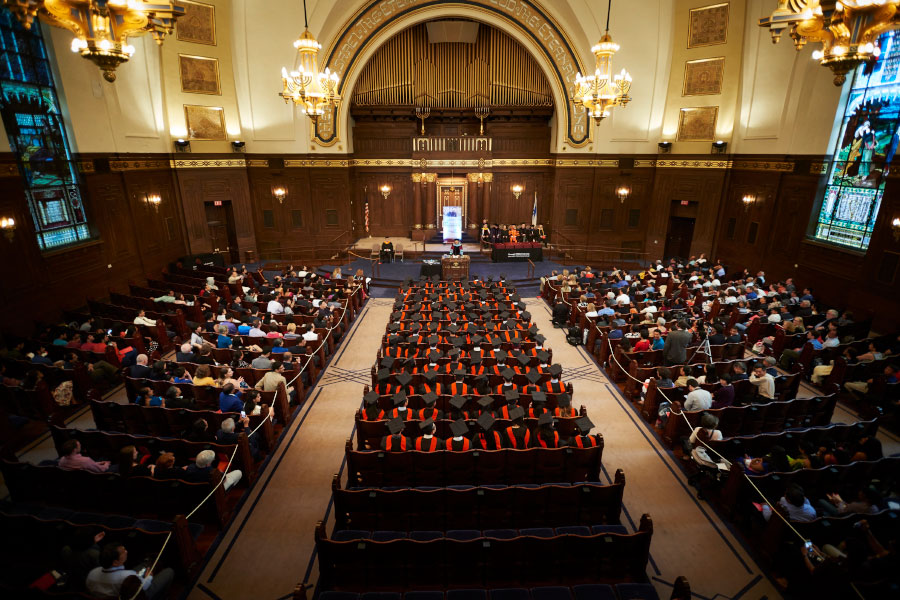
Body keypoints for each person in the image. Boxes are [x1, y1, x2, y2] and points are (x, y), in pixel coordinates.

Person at [85, 543, 174, 600]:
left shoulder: (92, 573)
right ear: (115, 562)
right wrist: (149, 577)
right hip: (137, 595)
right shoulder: (127, 576)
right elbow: (144, 586)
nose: (126, 552)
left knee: (143, 566)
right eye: (123, 552)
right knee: (169, 571)